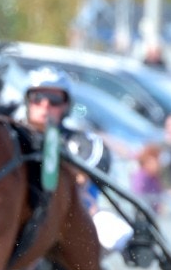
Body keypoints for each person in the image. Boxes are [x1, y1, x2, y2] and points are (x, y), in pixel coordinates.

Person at [23, 66, 134, 254]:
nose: (45, 105)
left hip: (73, 220)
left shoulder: (84, 143)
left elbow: (82, 180)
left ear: (66, 105)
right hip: (21, 216)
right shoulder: (8, 138)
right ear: (28, 101)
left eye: (54, 99)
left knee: (113, 233)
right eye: (37, 98)